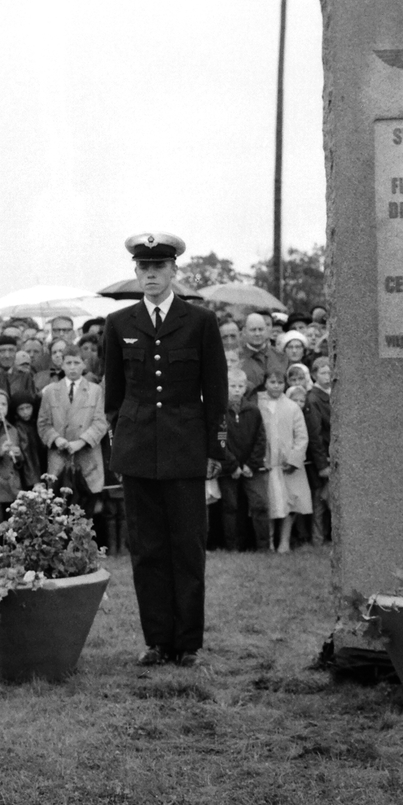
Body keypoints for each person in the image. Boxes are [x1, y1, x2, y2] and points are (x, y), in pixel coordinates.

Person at [102, 232, 228, 667]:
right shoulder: (119, 324)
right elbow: (114, 398)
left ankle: (187, 643)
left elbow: (216, 391)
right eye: (143, 267)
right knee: (147, 548)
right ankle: (157, 641)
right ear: (136, 271)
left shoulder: (200, 321)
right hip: (138, 453)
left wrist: (216, 447)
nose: (151, 274)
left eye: (159, 267)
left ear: (175, 270)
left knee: (187, 548)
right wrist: (121, 446)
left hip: (185, 449)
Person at [37, 348, 108, 517]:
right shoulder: (50, 391)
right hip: (59, 459)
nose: (73, 367)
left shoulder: (95, 390)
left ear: (84, 365)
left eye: (77, 363)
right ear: (61, 365)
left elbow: (100, 422)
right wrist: (57, 439)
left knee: (86, 516)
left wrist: (81, 442)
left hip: (87, 459)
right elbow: (43, 423)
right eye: (68, 363)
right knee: (59, 514)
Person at [258, 369, 311, 554]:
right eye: (272, 382)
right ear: (265, 383)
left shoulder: (291, 407)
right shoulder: (258, 404)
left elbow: (302, 436)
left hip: (286, 464)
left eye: (280, 383)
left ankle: (284, 542)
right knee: (269, 503)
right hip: (267, 464)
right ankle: (269, 542)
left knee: (290, 504)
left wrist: (294, 459)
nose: (276, 386)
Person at [217, 368, 268, 553]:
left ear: (246, 387)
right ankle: (232, 547)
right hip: (229, 468)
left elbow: (260, 438)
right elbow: (220, 440)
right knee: (230, 506)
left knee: (259, 504)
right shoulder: (220, 411)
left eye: (240, 386)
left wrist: (250, 465)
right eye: (233, 386)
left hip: (250, 468)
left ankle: (262, 547)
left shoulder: (253, 411)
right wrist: (232, 466)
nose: (237, 390)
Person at [0, 387, 35, 528]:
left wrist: (18, 455)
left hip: (12, 484)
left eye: (4, 405)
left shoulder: (12, 430)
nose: (0, 408)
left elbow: (20, 463)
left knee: (14, 522)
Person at [303, 356, 333, 545]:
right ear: (314, 375)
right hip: (322, 457)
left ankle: (327, 537)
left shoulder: (333, 394)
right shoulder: (314, 399)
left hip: (332, 454)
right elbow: (315, 434)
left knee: (329, 497)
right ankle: (318, 538)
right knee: (321, 498)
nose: (328, 376)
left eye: (330, 372)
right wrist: (322, 464)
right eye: (323, 373)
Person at [237, 312, 288, 400]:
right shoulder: (237, 357)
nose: (257, 334)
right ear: (244, 332)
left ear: (267, 330)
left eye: (260, 329)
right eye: (253, 330)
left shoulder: (280, 356)